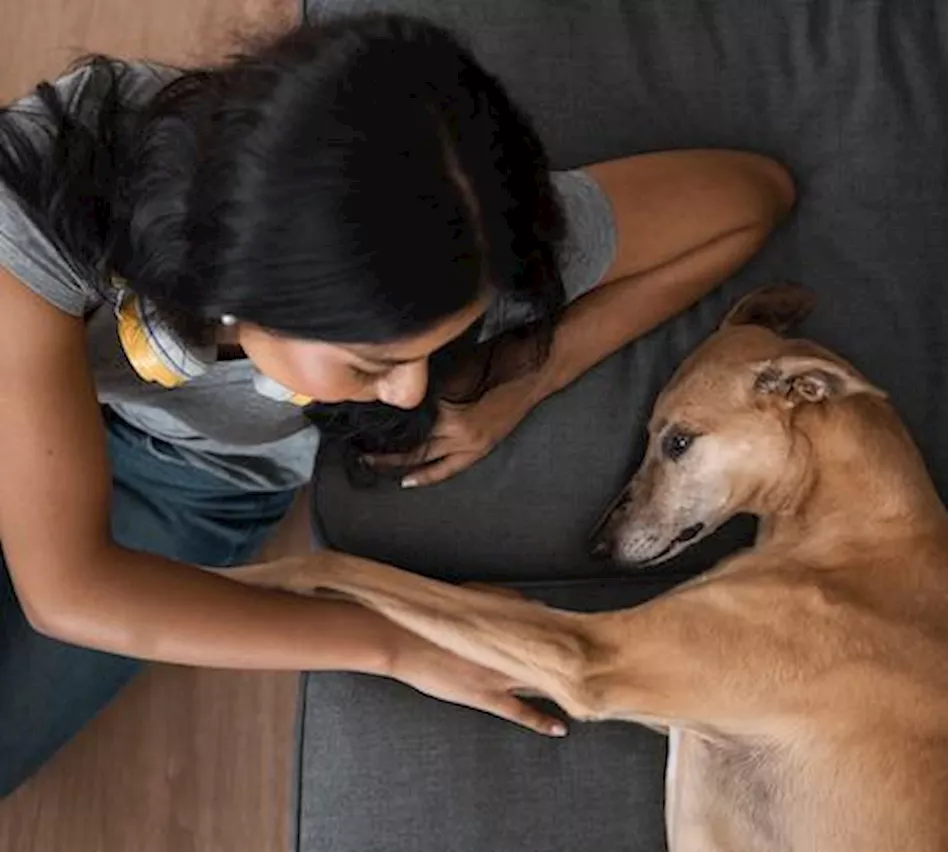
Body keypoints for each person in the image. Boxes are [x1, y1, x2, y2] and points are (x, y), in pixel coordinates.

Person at [0, 13, 794, 796]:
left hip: (192, 471)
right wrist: (395, 643)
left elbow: (749, 197)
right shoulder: (50, 185)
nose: (415, 391)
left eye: (430, 349)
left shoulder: (467, 243)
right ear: (242, 283)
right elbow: (66, 590)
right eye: (373, 361)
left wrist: (527, 376)